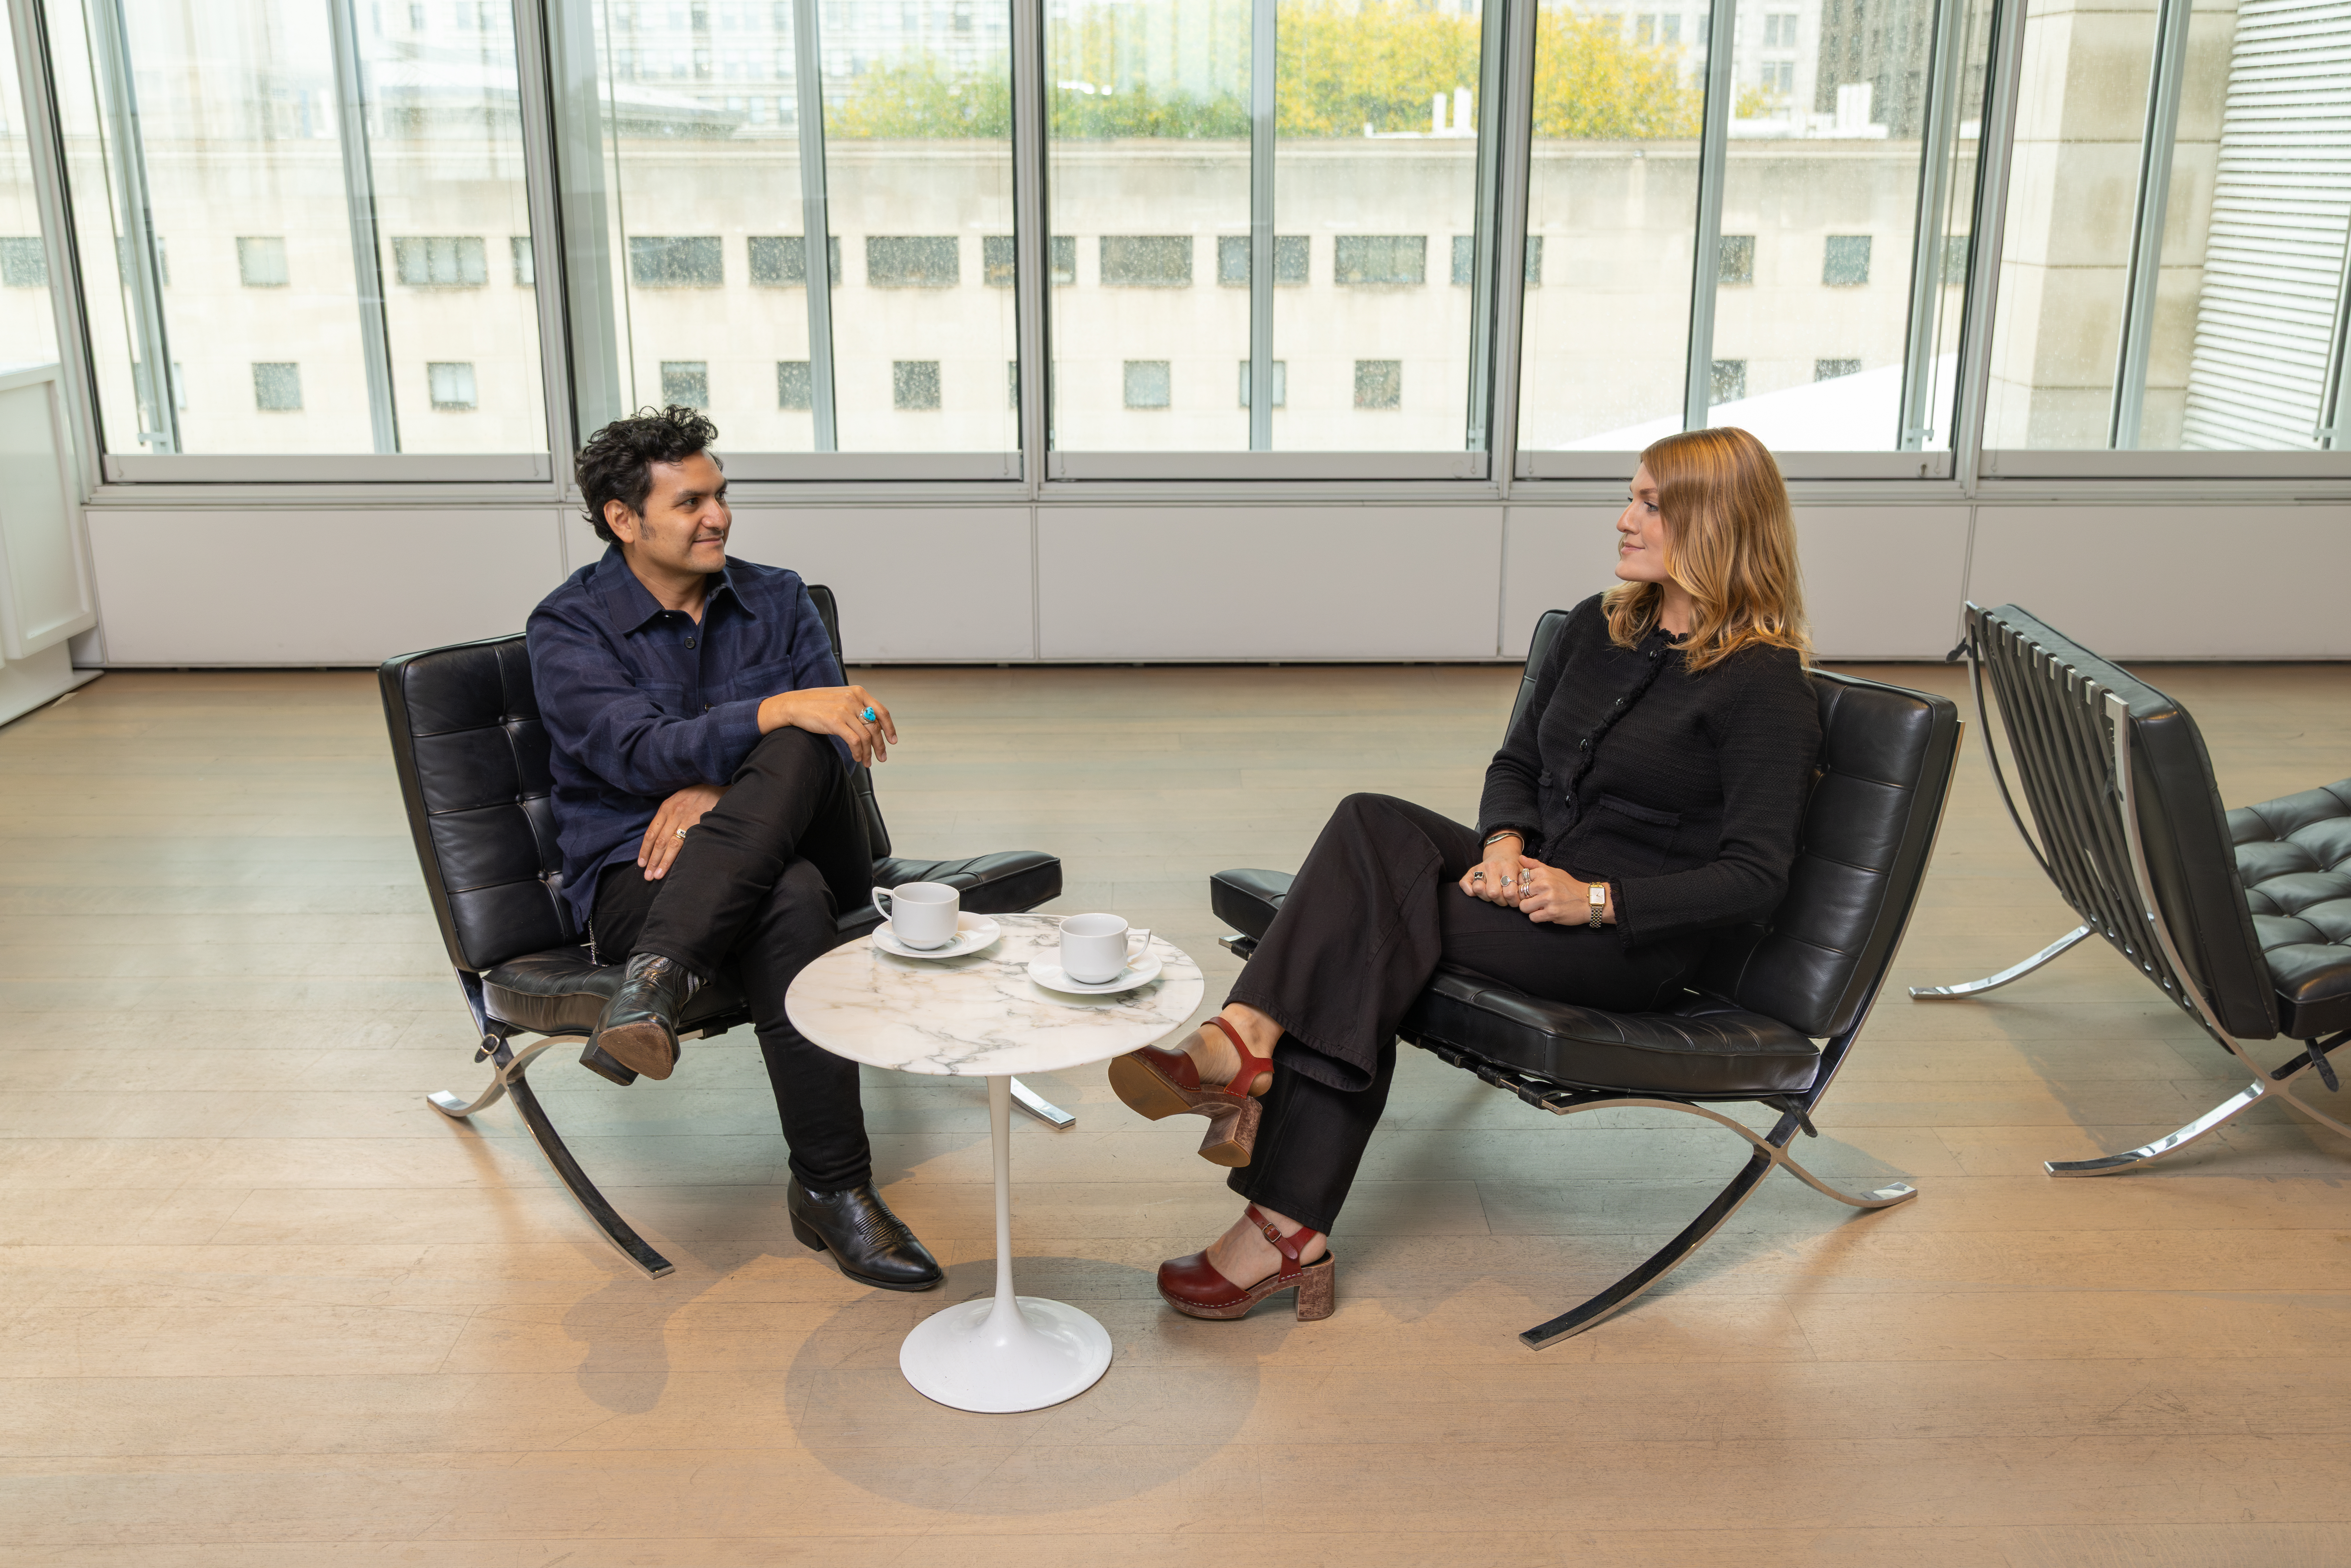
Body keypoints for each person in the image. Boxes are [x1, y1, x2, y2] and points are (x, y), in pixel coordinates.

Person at [1108, 426, 1821, 1323]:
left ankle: (1262, 1145)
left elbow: (1756, 877)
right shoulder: (1597, 629)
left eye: (1648, 504)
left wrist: (1595, 901)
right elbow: (1515, 764)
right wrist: (1503, 848)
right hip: (1532, 881)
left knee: (1367, 931)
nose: (1623, 519)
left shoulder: (1764, 686)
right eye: (1631, 497)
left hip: (1621, 947)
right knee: (1372, 820)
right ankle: (1249, 1069)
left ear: (1715, 524)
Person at [527, 405, 942, 1293]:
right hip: (641, 869)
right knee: (784, 900)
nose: (717, 516)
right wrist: (773, 719)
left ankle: (656, 986)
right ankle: (834, 1192)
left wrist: (732, 779)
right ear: (622, 518)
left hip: (810, 837)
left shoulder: (779, 595)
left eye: (720, 495)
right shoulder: (568, 627)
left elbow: (842, 738)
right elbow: (630, 750)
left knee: (808, 732)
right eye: (690, 503)